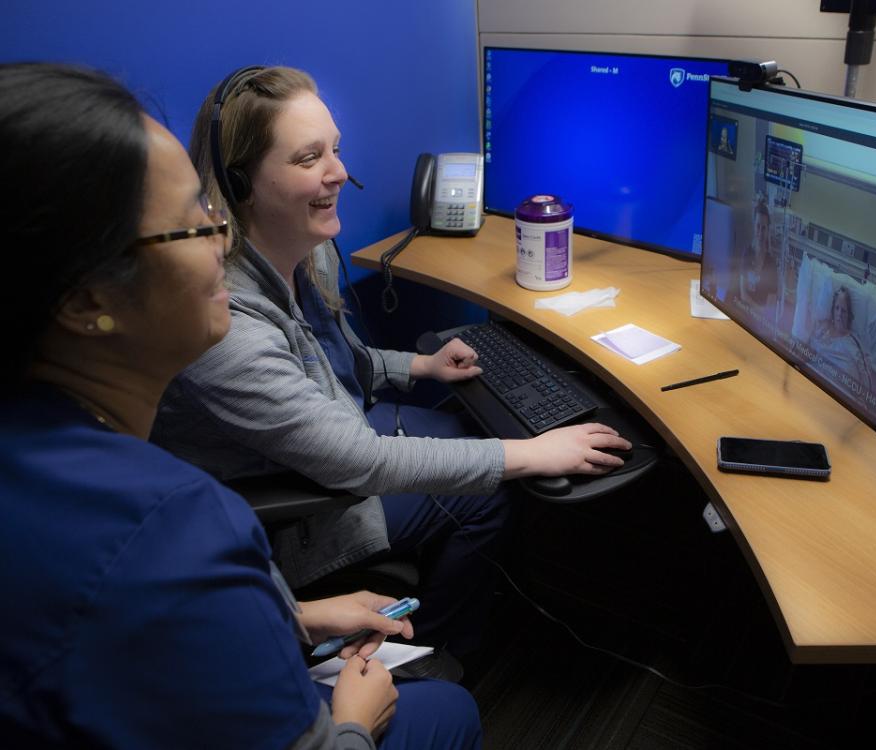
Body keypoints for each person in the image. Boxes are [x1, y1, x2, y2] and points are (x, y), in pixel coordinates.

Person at [0, 62, 480, 749]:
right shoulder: (177, 532)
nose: (222, 238)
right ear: (85, 301)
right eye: (190, 224)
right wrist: (352, 722)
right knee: (453, 714)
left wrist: (297, 616)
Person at [151, 65, 631, 658]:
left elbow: (329, 364)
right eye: (308, 159)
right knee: (492, 491)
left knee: (466, 430)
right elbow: (359, 463)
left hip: (332, 440)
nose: (339, 173)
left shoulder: (307, 250)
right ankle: (431, 654)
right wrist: (536, 453)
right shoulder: (227, 325)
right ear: (240, 181)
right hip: (293, 506)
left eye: (336, 150)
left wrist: (421, 368)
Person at [808, 285, 873, 391]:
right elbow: (807, 354)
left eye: (843, 311)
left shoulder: (854, 343)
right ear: (832, 310)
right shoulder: (821, 331)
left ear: (849, 315)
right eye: (837, 308)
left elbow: (866, 385)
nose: (839, 314)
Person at [738, 199, 779, 313]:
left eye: (764, 228)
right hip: (745, 311)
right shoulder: (747, 254)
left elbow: (771, 302)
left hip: (762, 319)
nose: (760, 232)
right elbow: (743, 294)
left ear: (768, 230)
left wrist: (760, 313)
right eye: (758, 226)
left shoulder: (771, 265)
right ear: (754, 226)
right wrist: (757, 309)